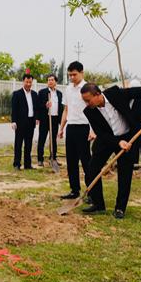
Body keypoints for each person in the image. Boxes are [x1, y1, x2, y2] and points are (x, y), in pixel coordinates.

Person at [80, 83, 141, 219]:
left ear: (97, 95)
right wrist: (117, 142)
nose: (86, 103)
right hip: (107, 140)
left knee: (125, 173)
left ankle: (120, 208)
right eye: (84, 101)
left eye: (88, 100)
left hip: (128, 137)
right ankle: (98, 205)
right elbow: (101, 133)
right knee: (92, 169)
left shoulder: (116, 93)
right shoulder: (89, 111)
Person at [59, 61, 95, 200]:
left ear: (82, 73)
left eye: (74, 74)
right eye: (70, 75)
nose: (72, 77)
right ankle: (74, 190)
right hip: (71, 127)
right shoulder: (68, 89)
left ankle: (91, 192)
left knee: (86, 161)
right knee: (71, 161)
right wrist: (61, 128)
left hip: (84, 128)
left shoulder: (87, 89)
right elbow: (66, 110)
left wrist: (92, 130)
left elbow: (93, 110)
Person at [11, 73, 38, 170]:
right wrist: (13, 121)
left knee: (28, 144)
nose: (28, 84)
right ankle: (17, 164)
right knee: (18, 144)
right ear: (23, 82)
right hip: (20, 123)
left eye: (30, 82)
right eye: (27, 82)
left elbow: (36, 108)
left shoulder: (34, 94)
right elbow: (14, 109)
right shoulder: (17, 94)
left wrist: (37, 118)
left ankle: (27, 164)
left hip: (31, 122)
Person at [37, 74, 63, 167]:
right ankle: (40, 159)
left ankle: (53, 158)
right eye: (48, 80)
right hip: (45, 119)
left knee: (53, 140)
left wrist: (61, 121)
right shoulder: (42, 92)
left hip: (55, 119)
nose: (50, 81)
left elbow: (61, 108)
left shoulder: (59, 94)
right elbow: (38, 106)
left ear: (56, 82)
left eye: (52, 80)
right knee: (42, 139)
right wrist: (45, 105)